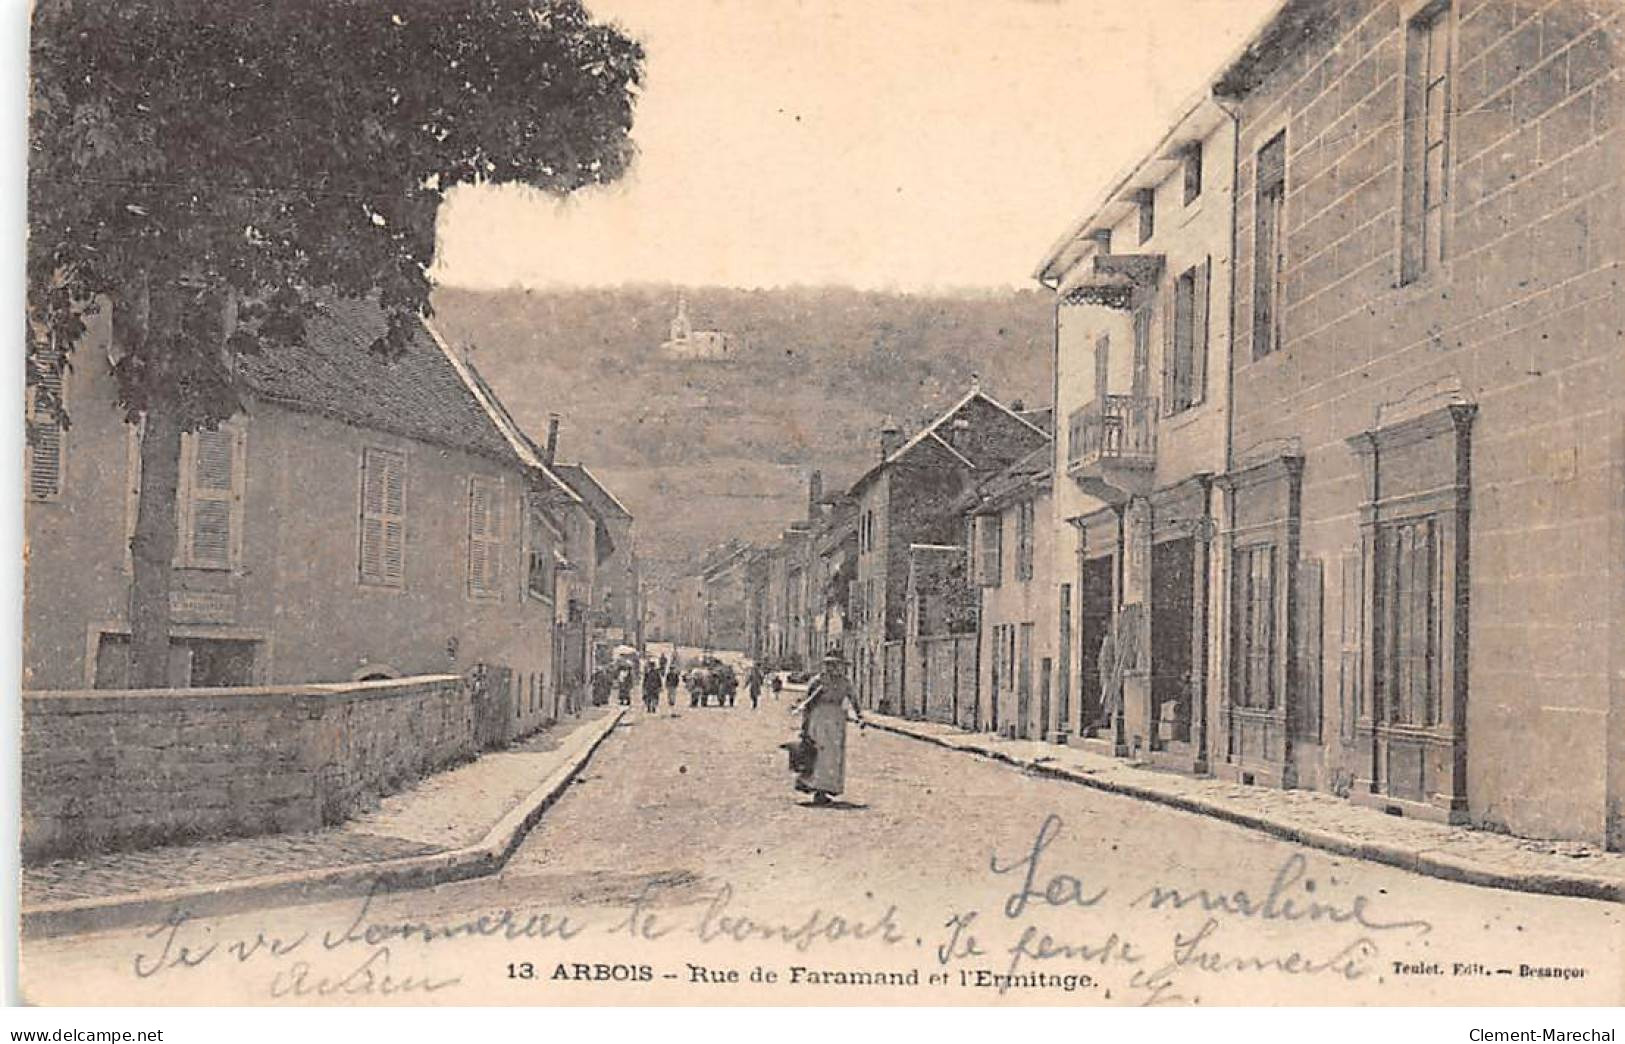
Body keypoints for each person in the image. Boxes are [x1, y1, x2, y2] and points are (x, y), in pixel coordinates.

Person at [790, 652, 863, 805]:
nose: (834, 668)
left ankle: (827, 789)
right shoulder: (818, 681)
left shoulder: (845, 682)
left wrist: (860, 716)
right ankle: (816, 788)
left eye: (837, 665)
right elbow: (808, 703)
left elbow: (853, 699)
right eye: (831, 665)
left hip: (837, 722)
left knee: (833, 756)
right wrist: (805, 726)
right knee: (819, 754)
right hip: (819, 720)